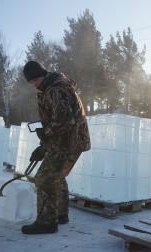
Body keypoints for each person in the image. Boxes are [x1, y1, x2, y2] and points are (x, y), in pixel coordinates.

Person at [21, 61, 91, 234]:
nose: (34, 84)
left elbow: (64, 121)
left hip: (69, 141)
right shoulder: (51, 87)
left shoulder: (54, 90)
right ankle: (60, 214)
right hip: (69, 140)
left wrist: (46, 134)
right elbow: (57, 122)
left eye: (36, 79)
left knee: (44, 178)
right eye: (31, 82)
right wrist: (44, 145)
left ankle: (46, 222)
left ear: (43, 74)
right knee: (56, 176)